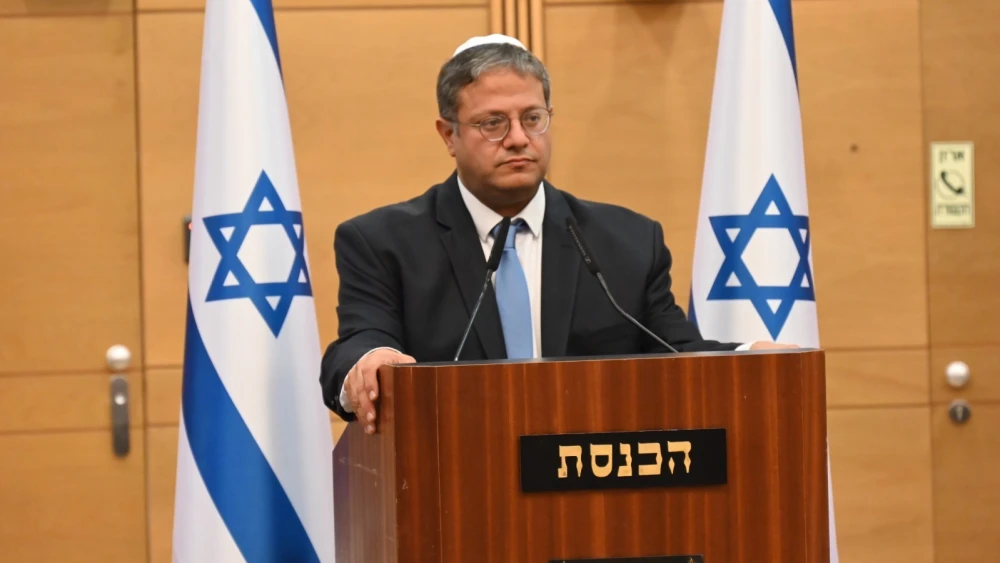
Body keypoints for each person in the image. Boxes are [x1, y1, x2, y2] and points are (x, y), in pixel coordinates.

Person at [320, 34, 795, 433]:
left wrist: (752, 357)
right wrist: (371, 361)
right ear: (448, 135)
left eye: (532, 118)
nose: (518, 138)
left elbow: (677, 354)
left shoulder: (626, 242)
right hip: (451, 494)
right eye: (492, 123)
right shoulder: (383, 242)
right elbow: (359, 344)